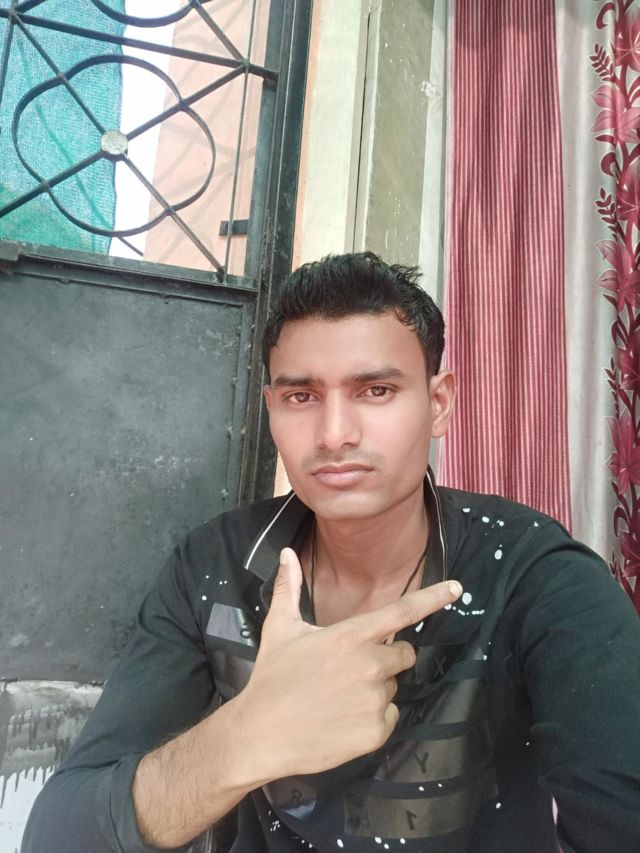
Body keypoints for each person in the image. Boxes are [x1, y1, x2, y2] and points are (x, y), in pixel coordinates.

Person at [22, 252, 640, 853]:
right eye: (302, 397)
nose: (335, 434)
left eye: (376, 390)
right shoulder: (215, 565)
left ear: (439, 403)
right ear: (271, 409)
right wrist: (244, 738)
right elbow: (58, 834)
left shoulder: (532, 574)